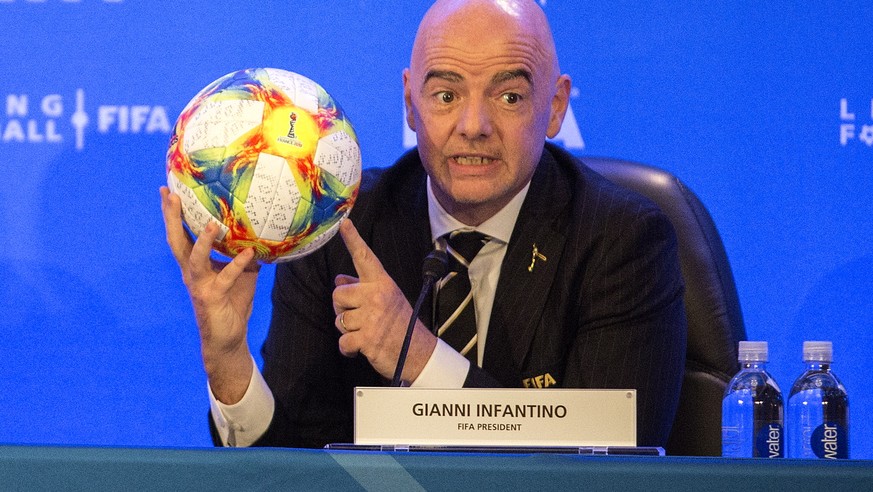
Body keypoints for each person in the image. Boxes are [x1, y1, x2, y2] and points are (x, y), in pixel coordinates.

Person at [161, 0, 687, 449]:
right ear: (411, 103)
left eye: (509, 97)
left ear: (554, 107)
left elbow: (614, 462)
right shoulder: (337, 225)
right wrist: (229, 361)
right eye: (446, 95)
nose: (474, 127)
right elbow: (292, 467)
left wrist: (417, 356)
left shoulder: (623, 240)